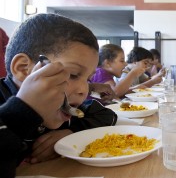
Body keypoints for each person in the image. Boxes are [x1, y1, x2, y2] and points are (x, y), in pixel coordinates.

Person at [0, 13, 117, 178]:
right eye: (74, 74)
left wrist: (72, 132)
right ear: (23, 68)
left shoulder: (63, 109)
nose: (84, 89)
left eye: (88, 79)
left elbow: (106, 114)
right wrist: (24, 111)